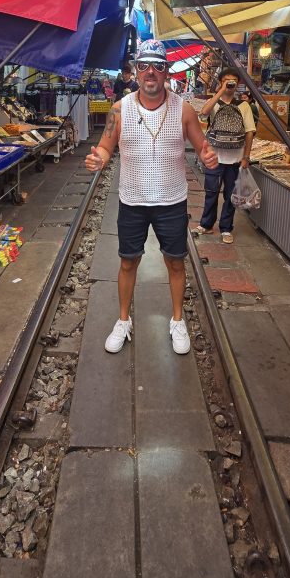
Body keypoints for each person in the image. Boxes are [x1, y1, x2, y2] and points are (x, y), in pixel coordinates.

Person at [85, 39, 218, 355]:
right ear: (136, 69)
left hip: (171, 200)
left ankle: (176, 320)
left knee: (175, 262)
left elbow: (202, 144)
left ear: (166, 71)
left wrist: (208, 155)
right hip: (132, 200)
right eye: (143, 65)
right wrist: (99, 158)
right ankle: (122, 319)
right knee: (128, 262)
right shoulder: (120, 109)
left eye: (157, 66)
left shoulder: (183, 110)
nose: (150, 72)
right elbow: (106, 145)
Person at [194, 66, 256, 244]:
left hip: (235, 159)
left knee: (230, 195)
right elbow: (203, 113)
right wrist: (220, 91)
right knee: (211, 192)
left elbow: (249, 133)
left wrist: (246, 157)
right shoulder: (214, 103)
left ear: (238, 84)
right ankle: (206, 224)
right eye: (226, 81)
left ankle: (226, 228)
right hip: (214, 157)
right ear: (220, 83)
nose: (230, 84)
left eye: (233, 81)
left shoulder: (244, 106)